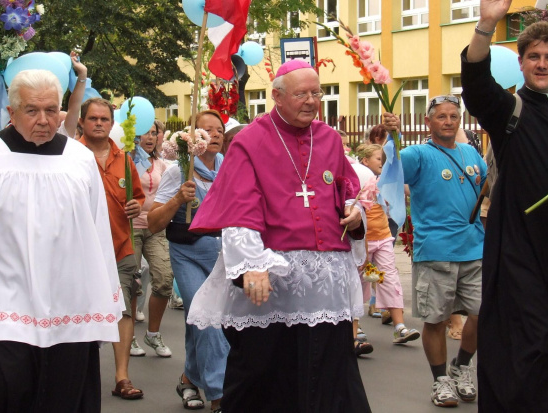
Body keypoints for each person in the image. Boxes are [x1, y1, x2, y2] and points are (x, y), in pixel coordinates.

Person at [186, 60, 372, 413]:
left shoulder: (330, 138)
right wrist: (252, 264)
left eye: (317, 93)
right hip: (274, 277)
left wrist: (355, 213)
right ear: (277, 96)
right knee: (265, 374)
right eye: (302, 93)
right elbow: (240, 206)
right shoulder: (250, 141)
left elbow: (349, 190)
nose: (312, 101)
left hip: (323, 281)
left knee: (327, 371)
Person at [0, 69, 123, 412]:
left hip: (68, 307)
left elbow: (98, 234)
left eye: (52, 110)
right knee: (0, 397)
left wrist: (105, 300)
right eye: (32, 110)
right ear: (11, 112)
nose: (45, 120)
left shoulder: (79, 160)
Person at [461, 1, 548, 410]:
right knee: (530, 343)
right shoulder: (510, 109)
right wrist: (486, 23)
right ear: (522, 64)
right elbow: (475, 83)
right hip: (520, 250)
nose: (542, 64)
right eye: (533, 57)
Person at [383, 95, 486, 408]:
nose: (448, 121)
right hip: (435, 251)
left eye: (454, 116)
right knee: (436, 320)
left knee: (485, 314)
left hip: (475, 249)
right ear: (428, 122)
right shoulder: (418, 154)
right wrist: (393, 135)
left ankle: (462, 365)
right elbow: (394, 164)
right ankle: (440, 379)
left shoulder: (470, 152)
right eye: (441, 116)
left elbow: (485, 188)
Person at [148, 110, 229, 413]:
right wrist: (178, 200)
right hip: (188, 254)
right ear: (192, 139)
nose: (215, 134)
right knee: (207, 319)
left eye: (219, 129)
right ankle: (220, 395)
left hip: (223, 257)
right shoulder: (178, 170)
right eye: (206, 130)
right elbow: (154, 223)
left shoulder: (229, 169)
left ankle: (188, 379)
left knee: (201, 322)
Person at [78, 97, 146, 400]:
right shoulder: (71, 155)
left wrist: (136, 205)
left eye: (104, 119)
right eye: (93, 118)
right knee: (82, 310)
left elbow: (139, 196)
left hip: (120, 246)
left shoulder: (124, 158)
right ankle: (78, 375)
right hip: (81, 250)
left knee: (124, 308)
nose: (99, 124)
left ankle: (122, 378)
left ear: (111, 123)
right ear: (81, 122)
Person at [356, 143, 420, 345]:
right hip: (361, 241)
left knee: (389, 278)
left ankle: (399, 327)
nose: (382, 164)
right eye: (378, 159)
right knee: (358, 283)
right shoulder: (357, 180)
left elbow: (405, 189)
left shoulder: (385, 181)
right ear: (365, 161)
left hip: (382, 237)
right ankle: (355, 329)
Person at [132, 122, 174, 358]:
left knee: (164, 278)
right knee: (132, 283)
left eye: (153, 133)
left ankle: (153, 334)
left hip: (155, 227)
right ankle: (128, 338)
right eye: (144, 133)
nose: (149, 137)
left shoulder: (162, 164)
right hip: (131, 227)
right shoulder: (126, 160)